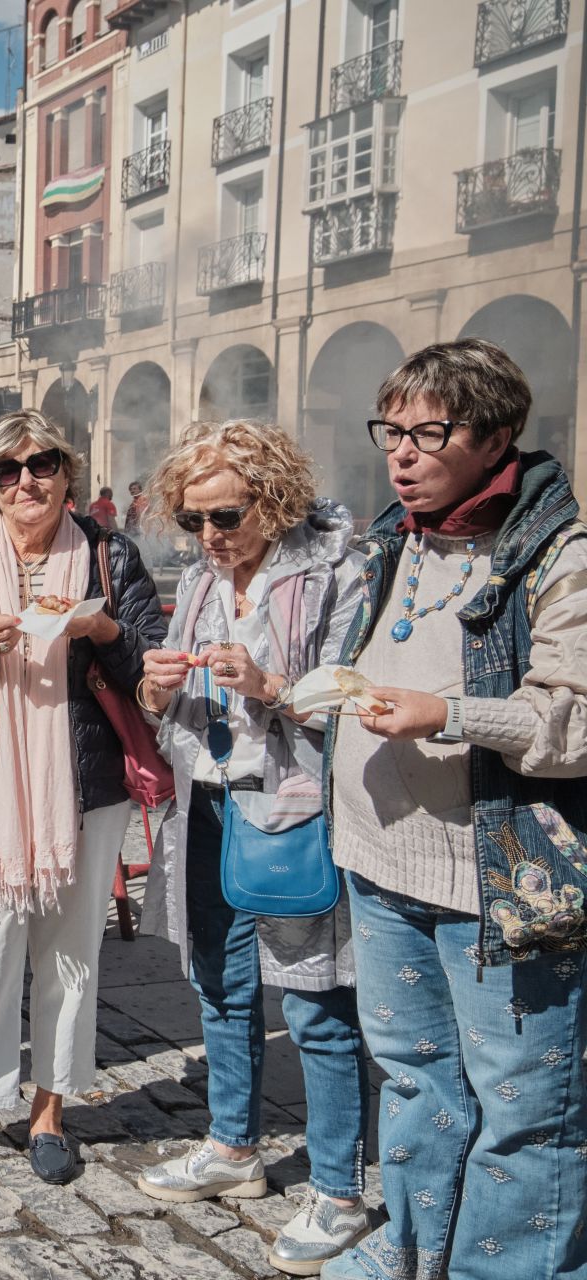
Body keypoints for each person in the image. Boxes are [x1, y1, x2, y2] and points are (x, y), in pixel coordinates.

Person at [320, 339, 587, 1280]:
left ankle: (502, 1269)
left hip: (500, 882)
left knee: (525, 1107)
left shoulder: (559, 554)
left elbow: (580, 720)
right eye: (391, 430)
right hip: (384, 864)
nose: (400, 452)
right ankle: (412, 1245)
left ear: (496, 437)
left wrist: (455, 715)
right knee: (415, 1077)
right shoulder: (397, 537)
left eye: (428, 432)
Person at [0, 410, 164, 1185]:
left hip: (83, 788)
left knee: (71, 956)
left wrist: (107, 633)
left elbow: (148, 673)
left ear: (67, 471)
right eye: (8, 472)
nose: (27, 483)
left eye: (41, 464)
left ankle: (50, 1110)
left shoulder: (111, 554)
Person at [132, 421, 370, 1275]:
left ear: (271, 497)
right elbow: (172, 704)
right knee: (221, 986)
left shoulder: (337, 571)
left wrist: (268, 687)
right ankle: (235, 1149)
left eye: (225, 516)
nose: (209, 536)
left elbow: (353, 695)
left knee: (315, 1003)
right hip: (208, 801)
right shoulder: (200, 577)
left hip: (295, 806)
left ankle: (339, 1188)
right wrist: (155, 688)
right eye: (194, 519)